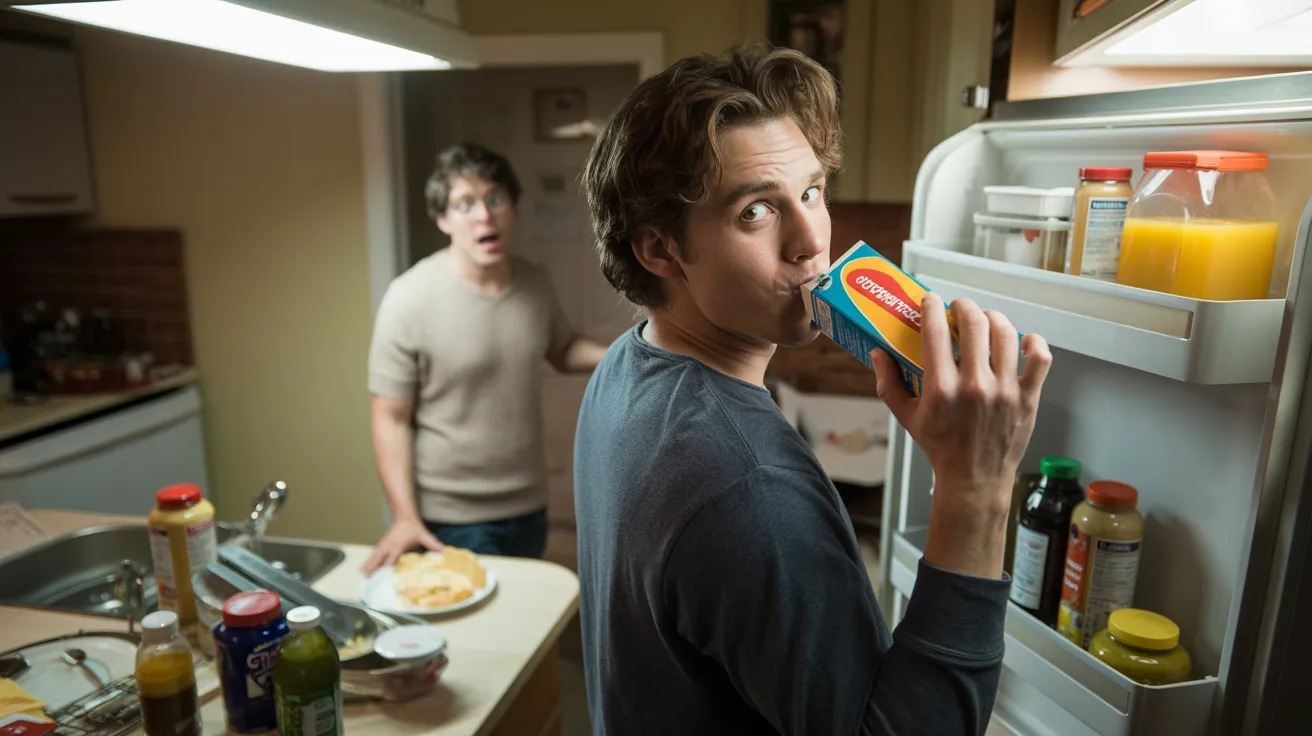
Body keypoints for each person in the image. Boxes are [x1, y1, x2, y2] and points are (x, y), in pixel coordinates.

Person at [575, 43, 1053, 734]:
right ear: (660, 250)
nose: (810, 241)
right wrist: (976, 487)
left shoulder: (627, 365)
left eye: (810, 191)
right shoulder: (749, 484)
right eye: (755, 212)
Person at [363, 143, 608, 574]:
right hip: (452, 516)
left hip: (528, 502)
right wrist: (404, 516)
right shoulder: (409, 297)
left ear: (513, 208)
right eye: (465, 204)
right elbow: (390, 418)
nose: (484, 215)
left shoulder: (534, 282)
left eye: (495, 199)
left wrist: (635, 349)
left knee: (523, 629)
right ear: (442, 219)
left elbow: (562, 348)